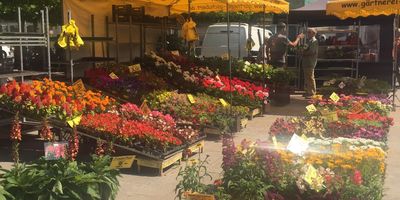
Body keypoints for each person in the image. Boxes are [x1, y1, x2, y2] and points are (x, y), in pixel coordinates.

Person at [301, 28, 319, 99]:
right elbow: (305, 48)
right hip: (306, 61)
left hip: (310, 61)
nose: (308, 34)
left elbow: (312, 51)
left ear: (314, 33)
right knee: (307, 77)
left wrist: (303, 53)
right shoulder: (308, 41)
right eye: (308, 32)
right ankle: (308, 91)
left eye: (309, 32)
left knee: (310, 77)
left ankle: (312, 93)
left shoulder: (314, 41)